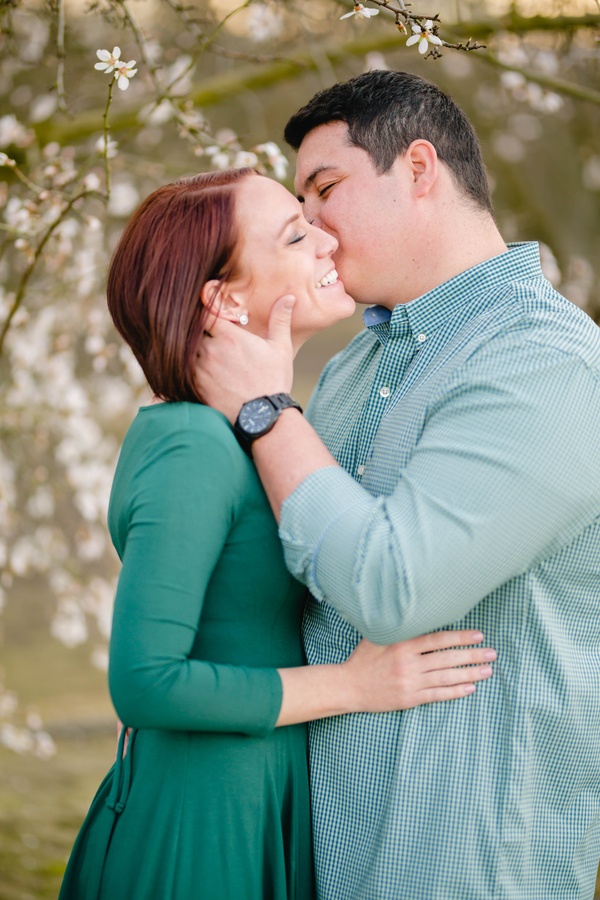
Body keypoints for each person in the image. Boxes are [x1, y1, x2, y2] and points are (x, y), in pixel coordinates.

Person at [195, 71, 600, 900]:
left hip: (464, 870)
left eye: (326, 188)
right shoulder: (350, 370)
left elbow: (393, 585)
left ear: (419, 169)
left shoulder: (548, 366)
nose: (310, 224)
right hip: (319, 861)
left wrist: (268, 411)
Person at [58, 167, 496, 900]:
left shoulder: (259, 435)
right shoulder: (190, 443)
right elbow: (144, 681)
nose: (327, 239)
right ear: (224, 299)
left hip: (261, 796)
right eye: (296, 234)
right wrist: (354, 687)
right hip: (201, 823)